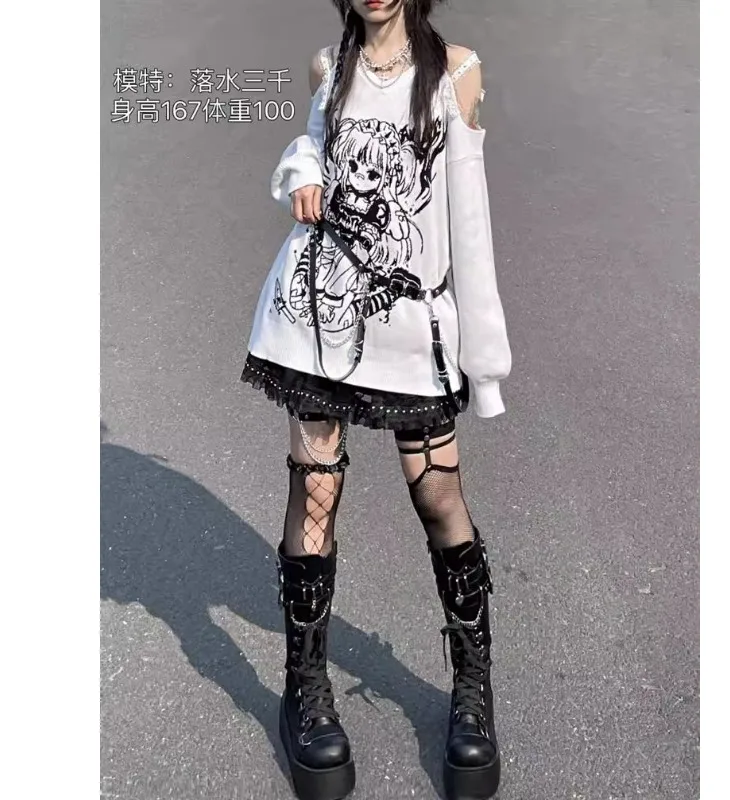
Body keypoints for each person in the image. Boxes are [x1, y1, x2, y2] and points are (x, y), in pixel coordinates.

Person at [240, 2, 512, 798]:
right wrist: (304, 172)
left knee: (438, 496)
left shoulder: (456, 73)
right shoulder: (329, 69)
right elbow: (311, 147)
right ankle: (305, 690)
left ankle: (472, 689)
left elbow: (469, 223)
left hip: (410, 324)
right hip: (317, 317)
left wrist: (483, 362)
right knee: (315, 489)